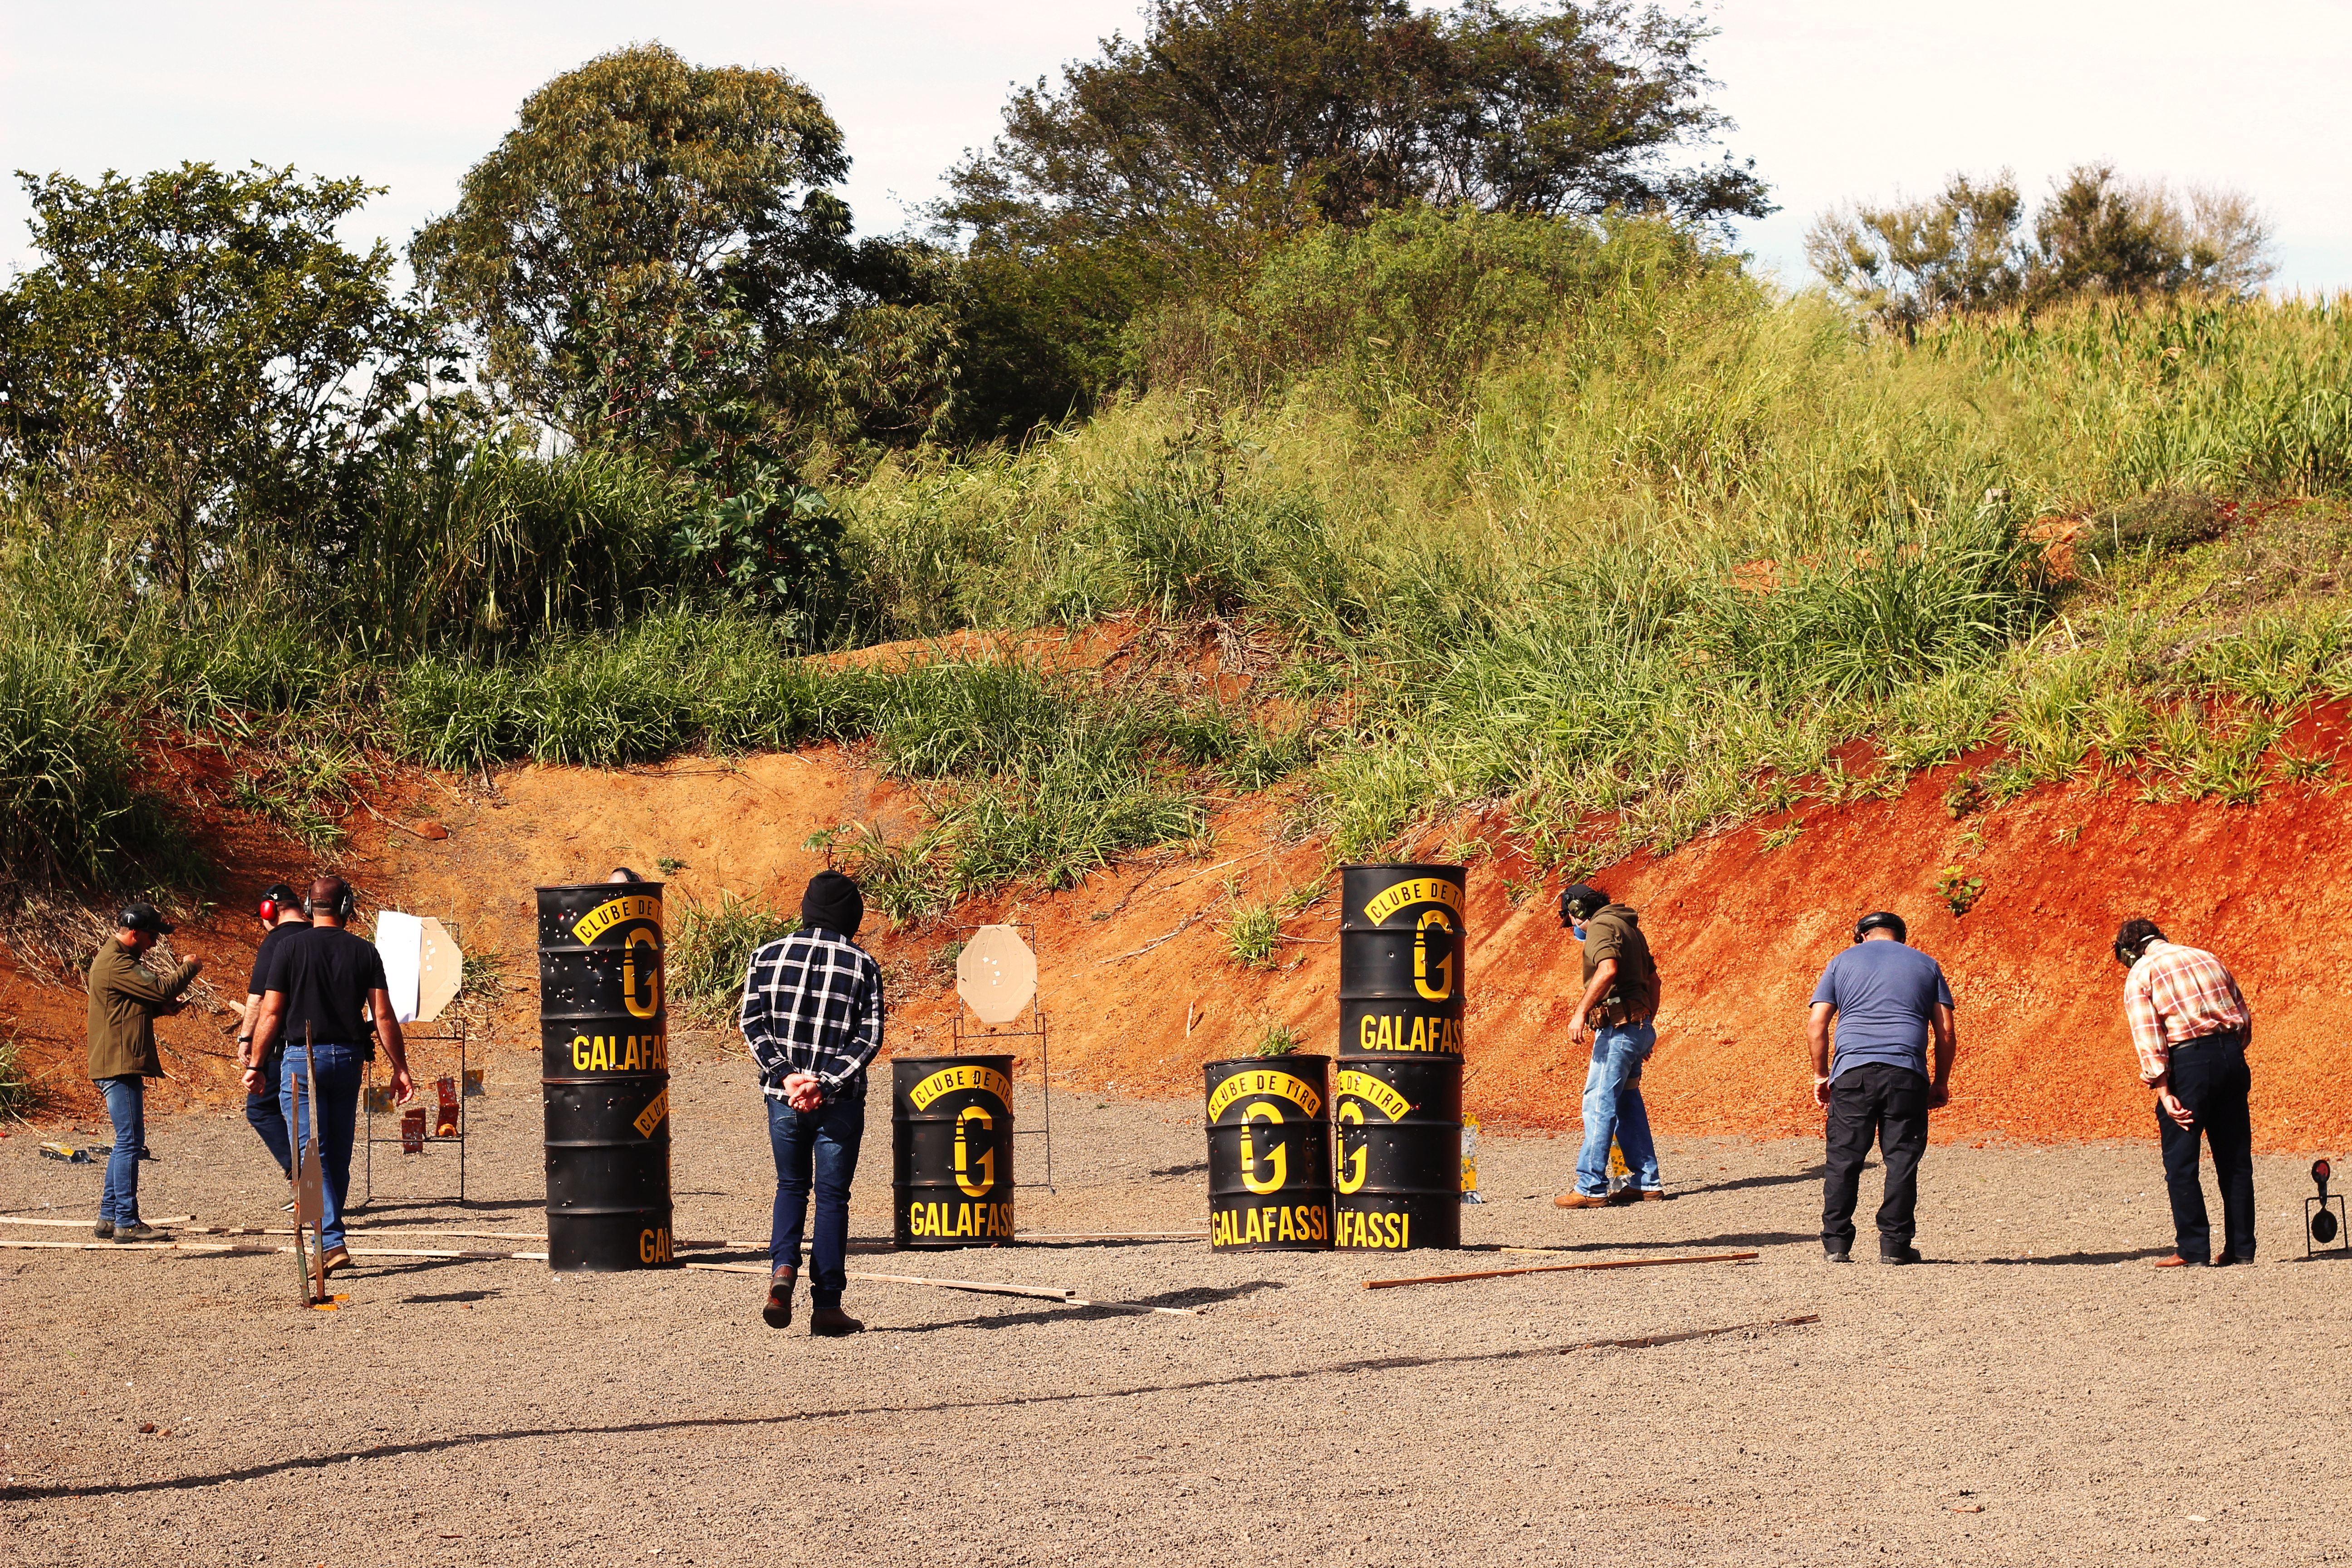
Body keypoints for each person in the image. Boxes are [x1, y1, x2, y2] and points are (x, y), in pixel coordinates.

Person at [739, 870, 884, 1337]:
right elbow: (870, 1036)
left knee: (790, 1186)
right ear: (851, 916)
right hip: (839, 1101)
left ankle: (782, 1272)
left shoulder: (766, 956)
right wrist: (824, 1081)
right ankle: (827, 1305)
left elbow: (751, 1024)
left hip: (783, 1098)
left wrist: (788, 1076)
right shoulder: (863, 965)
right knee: (833, 1198)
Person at [245, 876, 413, 1275]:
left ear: (309, 904)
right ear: (346, 907)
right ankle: (326, 1233)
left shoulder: (287, 948)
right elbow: (383, 1016)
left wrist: (256, 1061)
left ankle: (330, 1239)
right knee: (337, 1151)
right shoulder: (364, 951)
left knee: (308, 1153)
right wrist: (400, 1067)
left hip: (302, 1060)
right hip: (348, 1059)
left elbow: (270, 1013)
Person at [1807, 911, 1956, 1264]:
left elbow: (1817, 1024)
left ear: (1860, 935)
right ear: (1900, 936)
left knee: (1844, 1158)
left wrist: (1820, 1075)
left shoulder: (1841, 962)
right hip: (1907, 1073)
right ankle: (1895, 1245)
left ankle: (1837, 1244)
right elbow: (1946, 1032)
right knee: (1902, 1159)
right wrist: (1940, 1082)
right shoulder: (1926, 964)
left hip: (1853, 1073)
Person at [2115, 918, 2256, 1268]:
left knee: (2182, 1162)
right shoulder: (2207, 957)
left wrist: (2163, 1089)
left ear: (2131, 951)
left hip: (2189, 1064)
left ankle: (2193, 1250)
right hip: (2231, 1057)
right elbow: (2243, 1015)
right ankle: (2241, 1250)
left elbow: (2149, 1036)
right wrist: (2229, 1055)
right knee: (2235, 1160)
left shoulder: (2142, 974)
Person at [84, 903, 202, 1242]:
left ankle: (110, 1218)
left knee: (126, 1141)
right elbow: (162, 988)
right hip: (117, 1065)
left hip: (117, 1061)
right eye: (152, 936)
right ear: (135, 933)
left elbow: (124, 1010)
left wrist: (158, 1011)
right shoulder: (116, 963)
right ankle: (126, 1221)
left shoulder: (116, 961)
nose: (154, 943)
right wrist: (189, 968)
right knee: (130, 1142)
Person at [1553, 883, 1667, 1209]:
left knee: (1598, 1104)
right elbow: (1654, 982)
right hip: (1637, 1027)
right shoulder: (1630, 927)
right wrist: (1646, 1022)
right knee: (1627, 1103)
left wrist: (1581, 1012)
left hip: (1618, 1031)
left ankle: (1590, 1187)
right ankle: (1647, 1183)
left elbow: (1608, 969)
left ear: (1577, 911)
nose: (1574, 928)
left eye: (1572, 920)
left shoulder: (1601, 926)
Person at [234, 882, 308, 1183]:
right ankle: (321, 1190)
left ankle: (300, 1175)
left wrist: (246, 1038)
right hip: (328, 1043)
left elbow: (259, 999)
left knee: (261, 1108)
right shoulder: (321, 935)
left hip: (283, 1045)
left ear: (271, 909)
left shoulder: (276, 941)